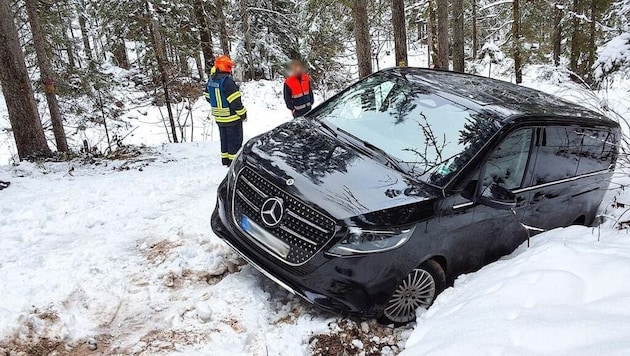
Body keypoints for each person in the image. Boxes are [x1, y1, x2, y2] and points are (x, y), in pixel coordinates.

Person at [204, 55, 248, 166]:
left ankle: (225, 160)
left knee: (224, 140)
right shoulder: (227, 82)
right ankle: (234, 163)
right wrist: (243, 115)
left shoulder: (211, 80)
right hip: (232, 118)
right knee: (234, 141)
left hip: (219, 118)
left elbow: (208, 97)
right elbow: (235, 102)